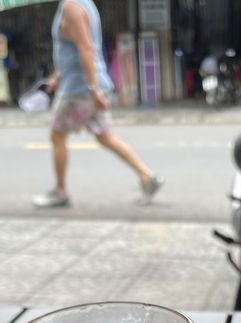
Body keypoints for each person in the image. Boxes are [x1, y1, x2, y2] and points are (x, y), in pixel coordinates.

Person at [33, 0, 163, 208]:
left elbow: (85, 47)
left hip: (79, 89)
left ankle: (60, 192)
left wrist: (93, 90)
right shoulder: (83, 3)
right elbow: (76, 48)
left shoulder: (72, 7)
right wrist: (59, 76)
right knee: (105, 137)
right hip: (83, 84)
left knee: (57, 135)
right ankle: (147, 177)